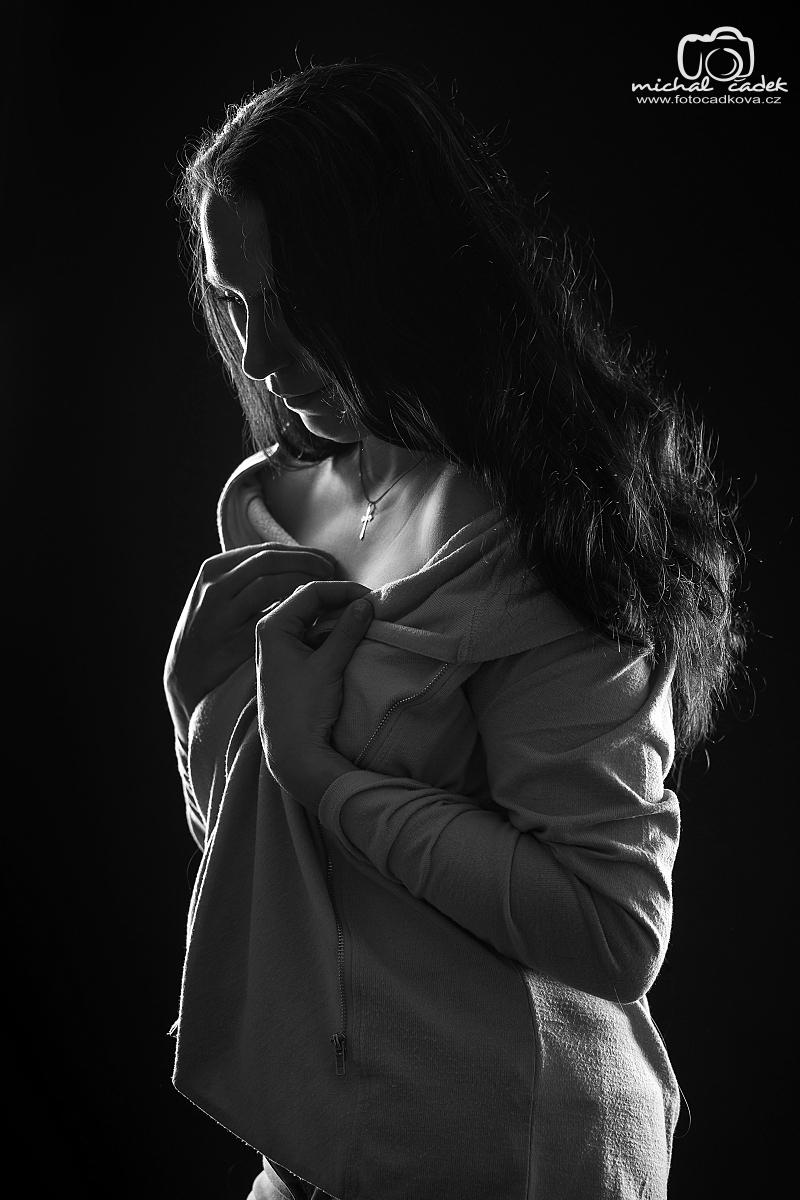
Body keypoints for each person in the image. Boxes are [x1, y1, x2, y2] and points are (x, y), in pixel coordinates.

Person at [164, 60, 748, 1200]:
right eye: (236, 303)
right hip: (326, 1138)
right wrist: (194, 702)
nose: (264, 356)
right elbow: (282, 877)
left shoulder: (546, 536)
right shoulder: (271, 505)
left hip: (512, 1148)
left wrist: (328, 777)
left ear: (391, 279)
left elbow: (613, 926)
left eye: (294, 301)